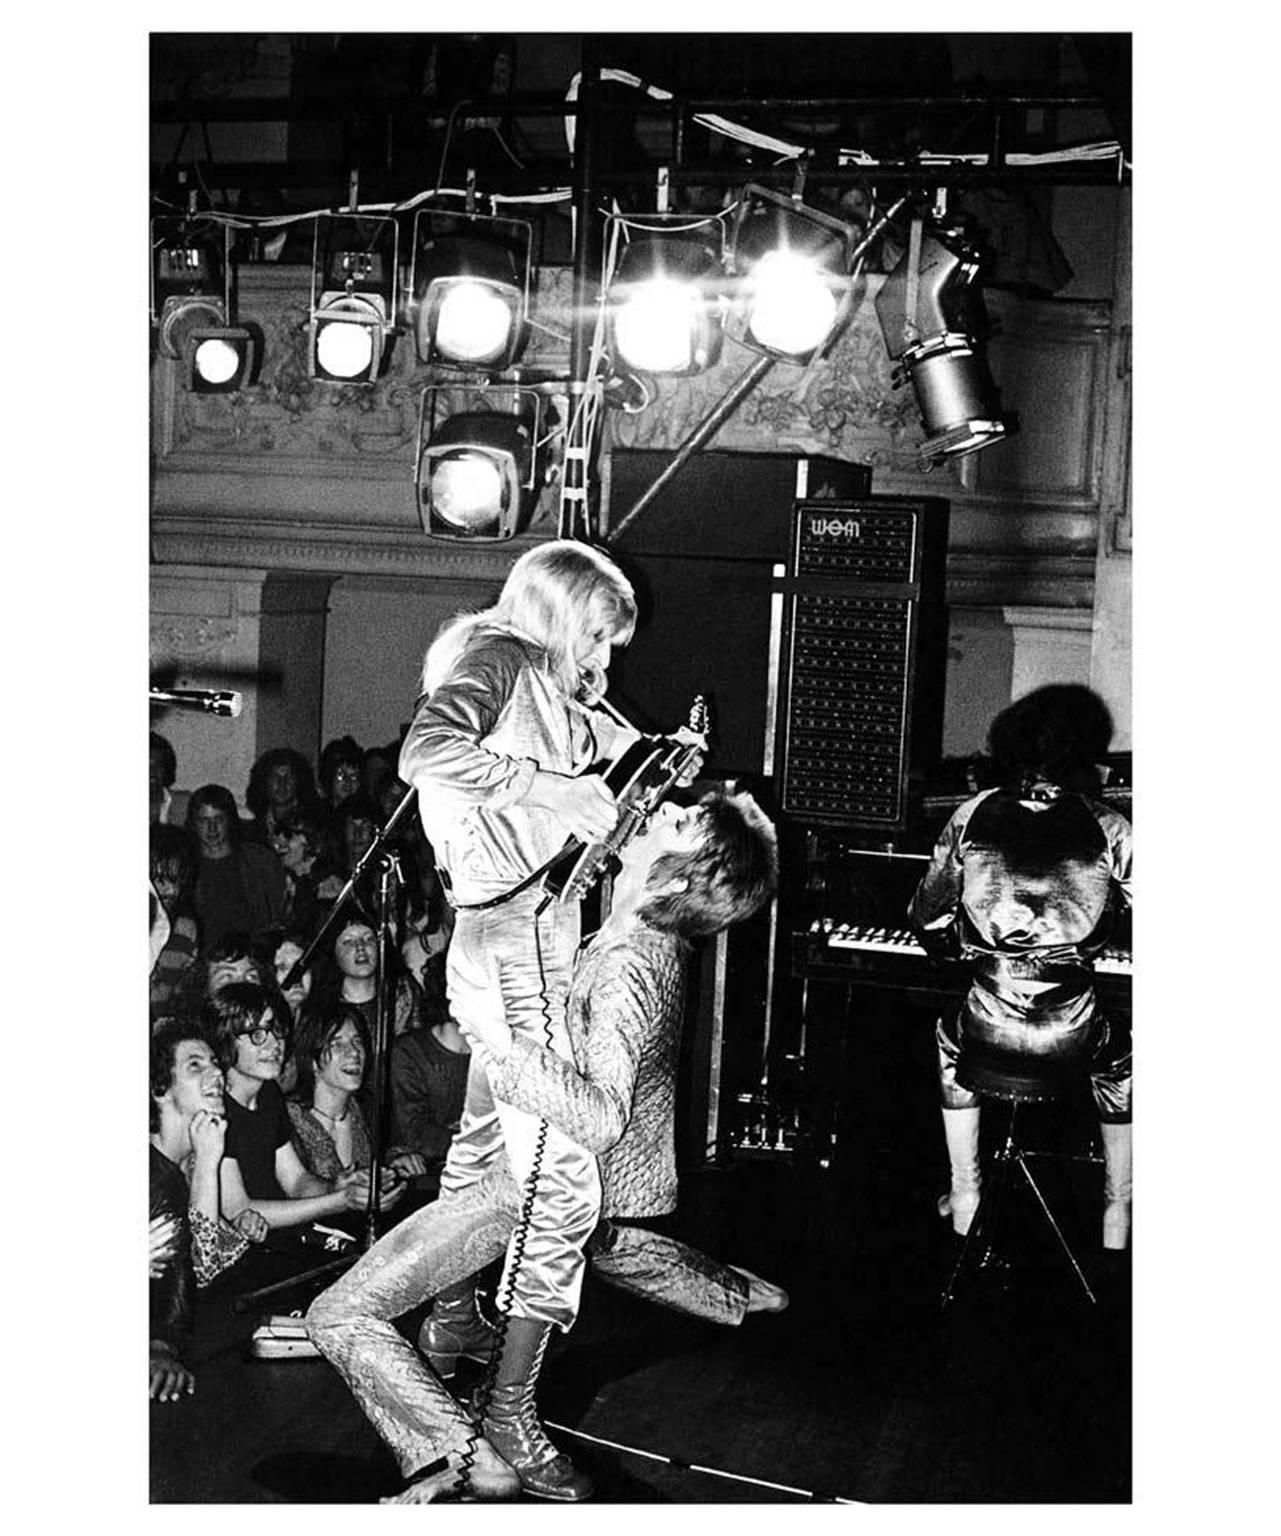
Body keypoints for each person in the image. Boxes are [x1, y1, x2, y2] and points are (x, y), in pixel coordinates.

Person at [306, 789, 782, 1506]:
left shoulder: (628, 967)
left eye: (677, 822)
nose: (660, 812)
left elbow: (600, 1121)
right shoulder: (631, 933)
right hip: (552, 1178)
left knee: (337, 1315)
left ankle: (468, 1447)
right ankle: (727, 1295)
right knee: (611, 1246)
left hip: (543, 1180)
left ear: (677, 876)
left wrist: (497, 1043)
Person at [375, 538, 648, 1499]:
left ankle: (451, 1315)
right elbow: (424, 751)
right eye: (599, 640)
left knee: (486, 1144)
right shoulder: (501, 657)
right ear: (559, 616)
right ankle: (508, 1413)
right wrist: (556, 788)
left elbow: (568, 760)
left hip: (516, 936)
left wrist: (627, 764)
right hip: (515, 940)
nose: (604, 662)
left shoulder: (538, 675)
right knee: (564, 1174)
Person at [908, 684, 1133, 1250]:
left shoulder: (972, 814)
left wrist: (959, 948)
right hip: (1073, 1032)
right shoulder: (1110, 826)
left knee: (949, 1047)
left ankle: (965, 1194)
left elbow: (928, 914)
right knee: (1122, 1061)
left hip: (989, 1024)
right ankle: (1117, 1209)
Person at [209, 983, 405, 1234]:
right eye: (258, 1035)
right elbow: (238, 1211)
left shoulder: (268, 1094)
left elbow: (296, 1181)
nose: (275, 1044)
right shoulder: (216, 1109)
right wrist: (341, 1200)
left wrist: (336, 1187)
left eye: (276, 1030)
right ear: (226, 1041)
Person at [149, 1017, 265, 1401]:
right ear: (161, 1090)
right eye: (195, 1065)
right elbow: (200, 1270)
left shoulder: (184, 1162)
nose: (216, 1071)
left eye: (215, 1062)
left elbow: (217, 1250)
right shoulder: (151, 1171)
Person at [286, 1000, 428, 1187]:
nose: (354, 1052)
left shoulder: (369, 1110)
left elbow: (383, 1159)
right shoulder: (287, 1122)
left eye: (357, 1041)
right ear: (312, 1060)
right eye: (337, 1044)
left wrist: (394, 1165)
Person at [187, 784, 288, 954]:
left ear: (230, 820)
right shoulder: (186, 865)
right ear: (194, 823)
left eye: (218, 820)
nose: (212, 828)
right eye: (204, 820)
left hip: (253, 956)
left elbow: (279, 913)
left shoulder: (259, 861)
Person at [149, 826, 201, 1014]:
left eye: (172, 879)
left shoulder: (185, 930)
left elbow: (184, 995)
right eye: (155, 878)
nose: (164, 888)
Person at [244, 747, 319, 847]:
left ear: (299, 781)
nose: (282, 783)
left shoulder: (313, 829)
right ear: (264, 782)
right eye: (275, 777)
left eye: (289, 777)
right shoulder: (249, 834)